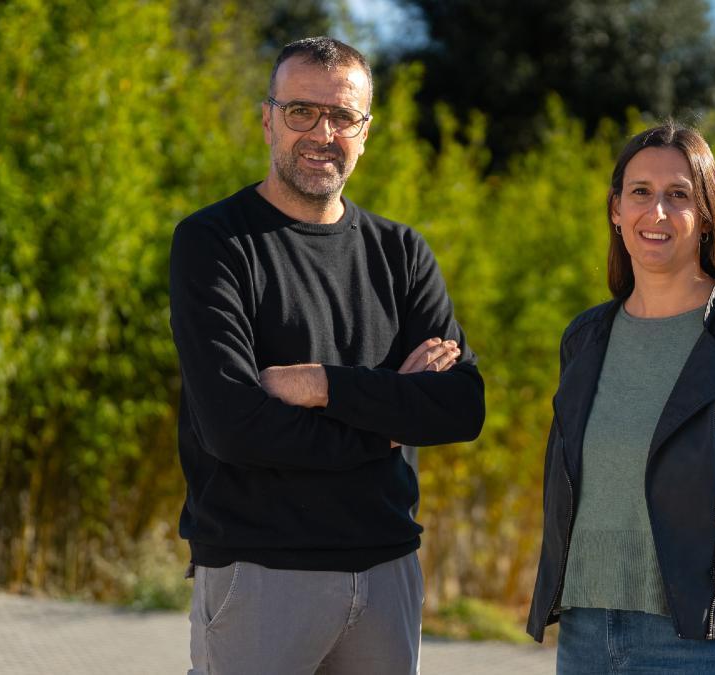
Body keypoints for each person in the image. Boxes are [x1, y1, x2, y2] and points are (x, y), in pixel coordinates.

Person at [168, 37, 484, 675]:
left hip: (388, 573)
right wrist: (389, 422)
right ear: (268, 120)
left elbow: (459, 407)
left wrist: (321, 385)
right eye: (301, 112)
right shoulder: (214, 243)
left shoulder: (402, 253)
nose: (322, 133)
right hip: (261, 574)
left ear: (366, 133)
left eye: (343, 116)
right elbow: (234, 428)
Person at [526, 123, 715, 673]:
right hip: (586, 634)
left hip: (708, 644)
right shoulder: (585, 338)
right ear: (616, 209)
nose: (658, 212)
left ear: (707, 215)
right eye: (641, 192)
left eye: (679, 195)